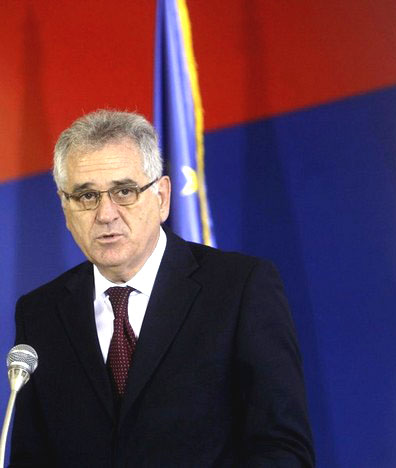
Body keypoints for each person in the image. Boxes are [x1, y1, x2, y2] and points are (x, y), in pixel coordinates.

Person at [9, 110, 314, 467]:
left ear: (163, 197)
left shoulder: (240, 288)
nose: (105, 214)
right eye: (87, 196)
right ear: (65, 207)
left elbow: (283, 449)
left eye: (124, 191)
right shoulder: (40, 313)